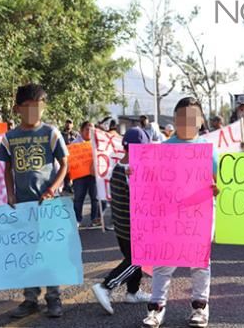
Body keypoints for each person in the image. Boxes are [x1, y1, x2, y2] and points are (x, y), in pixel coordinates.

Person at [143, 97, 218, 328]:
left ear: (201, 120)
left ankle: (200, 307)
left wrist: (217, 189)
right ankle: (156, 307)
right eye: (182, 117)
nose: (187, 122)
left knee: (200, 262)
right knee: (163, 261)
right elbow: (150, 182)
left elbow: (217, 182)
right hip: (169, 214)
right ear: (174, 120)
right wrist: (137, 177)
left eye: (192, 117)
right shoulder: (162, 149)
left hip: (199, 214)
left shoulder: (209, 149)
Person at [0, 84, 69, 319]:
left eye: (37, 107)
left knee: (49, 252)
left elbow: (64, 165)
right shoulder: (10, 137)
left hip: (48, 205)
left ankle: (53, 298)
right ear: (18, 108)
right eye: (28, 107)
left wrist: (52, 188)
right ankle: (30, 299)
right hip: (23, 205)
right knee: (27, 252)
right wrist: (10, 193)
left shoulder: (51, 133)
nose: (33, 112)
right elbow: (7, 169)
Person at [92, 127, 152, 315]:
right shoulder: (131, 172)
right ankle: (107, 286)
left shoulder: (119, 167)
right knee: (138, 258)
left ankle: (133, 292)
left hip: (121, 226)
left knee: (132, 259)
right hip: (132, 226)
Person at [72, 121, 101, 227]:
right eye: (87, 129)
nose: (90, 131)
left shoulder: (98, 143)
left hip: (94, 175)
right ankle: (77, 219)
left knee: (95, 198)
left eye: (92, 129)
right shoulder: (75, 144)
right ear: (81, 130)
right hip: (80, 176)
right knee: (79, 198)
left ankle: (95, 219)